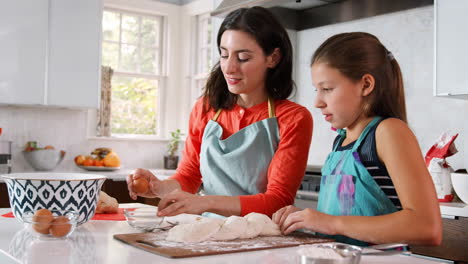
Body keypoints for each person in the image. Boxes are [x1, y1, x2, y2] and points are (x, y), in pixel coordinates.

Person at [126, 6, 313, 218]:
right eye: (224, 55)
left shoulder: (293, 118)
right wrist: (158, 187)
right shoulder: (205, 108)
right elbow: (189, 176)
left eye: (242, 58)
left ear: (273, 58)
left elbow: (278, 201)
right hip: (209, 231)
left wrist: (204, 202)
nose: (229, 68)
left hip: (263, 238)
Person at [273, 32, 442, 246]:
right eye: (317, 90)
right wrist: (305, 220)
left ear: (366, 85)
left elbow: (426, 227)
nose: (317, 102)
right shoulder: (341, 141)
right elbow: (342, 222)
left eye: (327, 89)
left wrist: (331, 223)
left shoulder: (387, 132)